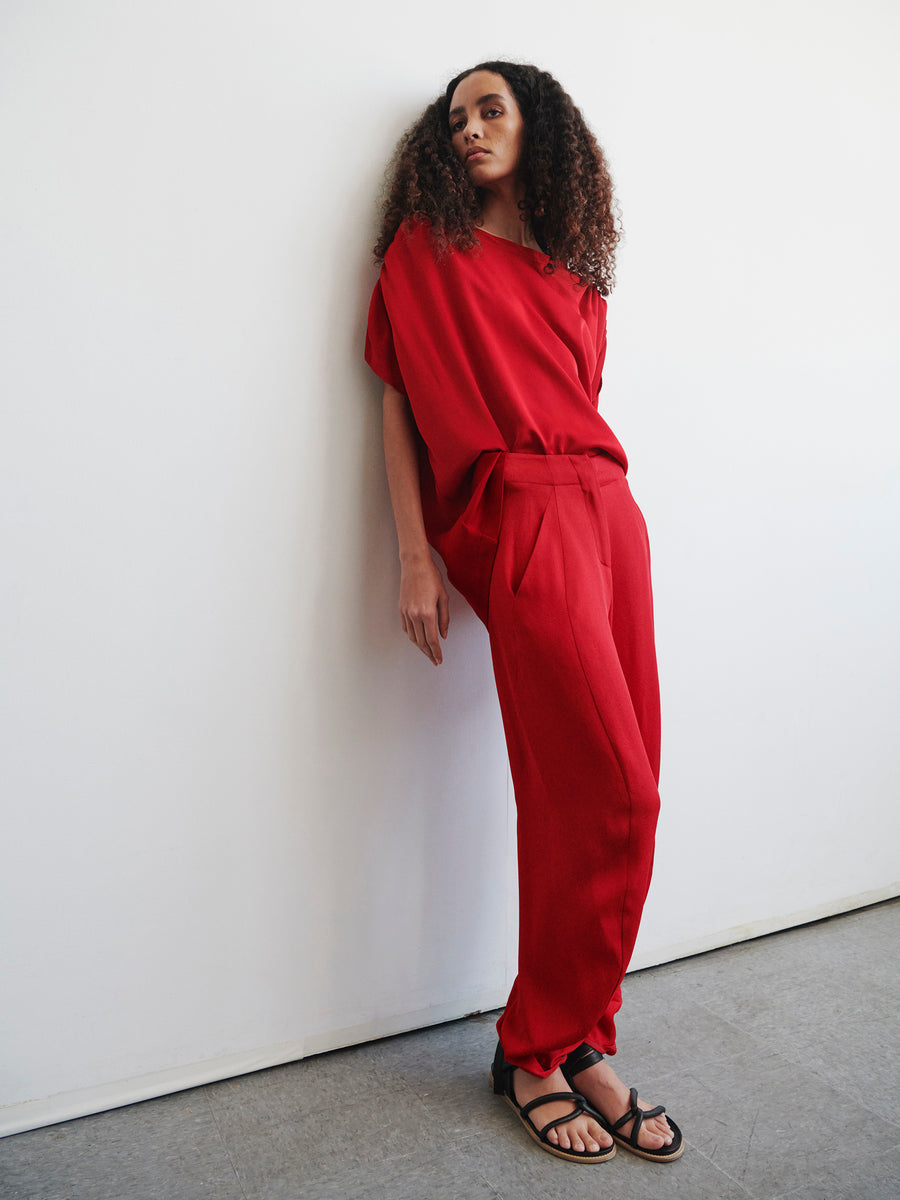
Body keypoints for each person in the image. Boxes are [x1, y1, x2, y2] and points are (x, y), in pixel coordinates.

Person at [365, 61, 684, 1166]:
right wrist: (415, 555)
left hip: (611, 515)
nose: (469, 129)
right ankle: (532, 1045)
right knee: (615, 795)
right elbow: (399, 402)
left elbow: (579, 406)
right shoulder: (424, 258)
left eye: (491, 109)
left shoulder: (575, 275)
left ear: (538, 125)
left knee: (609, 790)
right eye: (454, 118)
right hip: (526, 516)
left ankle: (580, 1036)